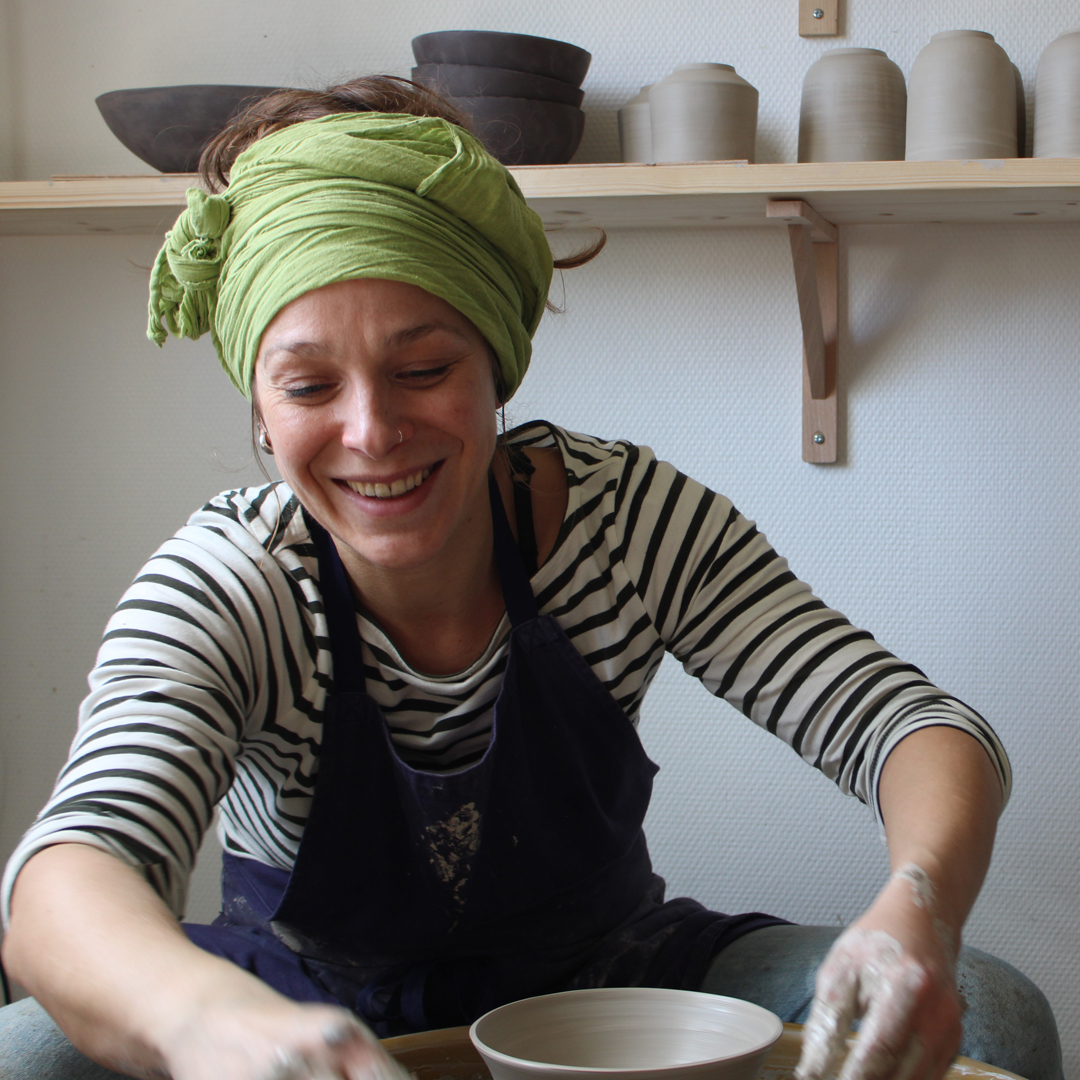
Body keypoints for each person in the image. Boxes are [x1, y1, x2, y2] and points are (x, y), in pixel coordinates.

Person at [0, 77, 1062, 1080]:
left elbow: (908, 724)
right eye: (310, 384)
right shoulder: (234, 584)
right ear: (260, 409)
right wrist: (206, 1023)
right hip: (299, 1008)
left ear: (496, 367)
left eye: (425, 370)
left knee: (992, 1007)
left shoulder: (626, 520)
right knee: (28, 1052)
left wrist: (918, 907)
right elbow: (69, 878)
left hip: (611, 981)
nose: (372, 432)